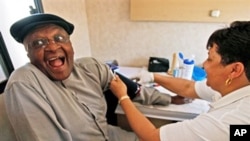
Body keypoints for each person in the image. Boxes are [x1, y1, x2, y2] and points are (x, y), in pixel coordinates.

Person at [2, 13, 187, 141]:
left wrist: (167, 98)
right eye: (38, 43)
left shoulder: (91, 67)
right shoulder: (24, 83)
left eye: (59, 38)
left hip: (113, 136)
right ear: (28, 54)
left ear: (70, 44)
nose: (51, 47)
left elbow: (130, 87)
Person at [110, 21, 250, 141]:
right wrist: (153, 76)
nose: (203, 65)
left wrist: (123, 96)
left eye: (210, 58)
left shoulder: (224, 123)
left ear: (234, 70)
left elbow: (152, 137)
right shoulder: (236, 86)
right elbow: (189, 87)